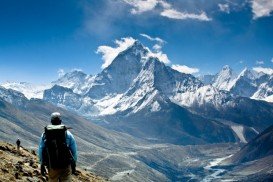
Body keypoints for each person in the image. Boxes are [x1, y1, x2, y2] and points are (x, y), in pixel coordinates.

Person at [38, 112, 77, 182]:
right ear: (60, 121)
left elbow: (41, 149)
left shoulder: (45, 134)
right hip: (66, 165)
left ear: (51, 121)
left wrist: (42, 164)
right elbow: (74, 151)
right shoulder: (67, 134)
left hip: (52, 164)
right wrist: (74, 163)